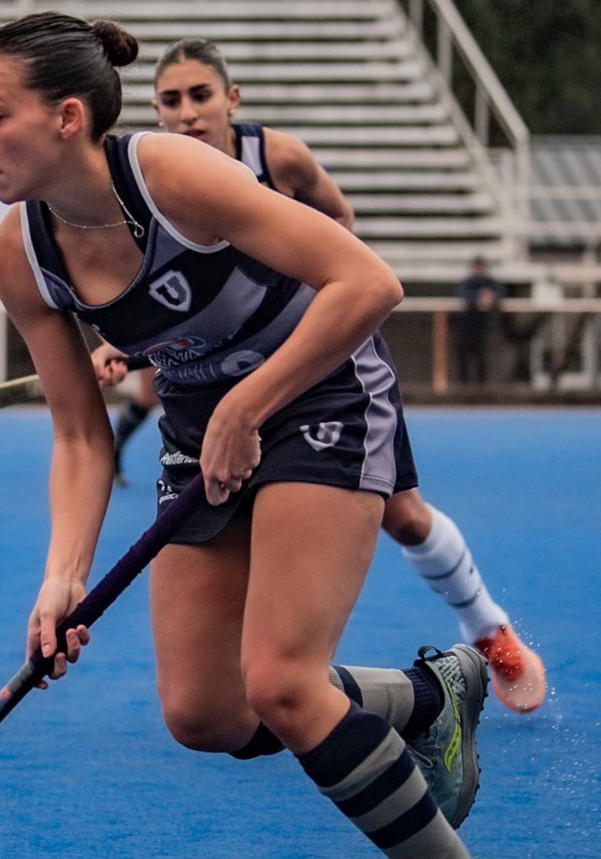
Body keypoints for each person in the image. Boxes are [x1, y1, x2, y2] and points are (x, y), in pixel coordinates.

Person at [0, 12, 517, 859]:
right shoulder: (22, 255)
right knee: (205, 713)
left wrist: (249, 401)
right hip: (198, 429)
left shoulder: (175, 178)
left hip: (323, 397)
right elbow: (81, 436)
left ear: (65, 116)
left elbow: (366, 281)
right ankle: (430, 694)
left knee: (280, 681)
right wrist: (59, 582)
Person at [93, 38, 545, 714]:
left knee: (402, 514)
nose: (185, 112)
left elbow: (339, 223)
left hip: (319, 361)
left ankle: (485, 626)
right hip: (222, 388)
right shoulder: (150, 183)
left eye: (200, 95)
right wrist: (123, 347)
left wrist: (282, 285)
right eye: (170, 100)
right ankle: (286, 685)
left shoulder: (277, 157)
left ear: (231, 99)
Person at [452, 256, 505, 388]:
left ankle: (482, 387)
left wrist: (491, 298)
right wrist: (478, 298)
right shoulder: (468, 282)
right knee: (464, 357)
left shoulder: (490, 282)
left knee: (481, 357)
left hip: (482, 327)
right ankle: (463, 386)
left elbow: (501, 293)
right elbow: (462, 294)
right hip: (466, 326)